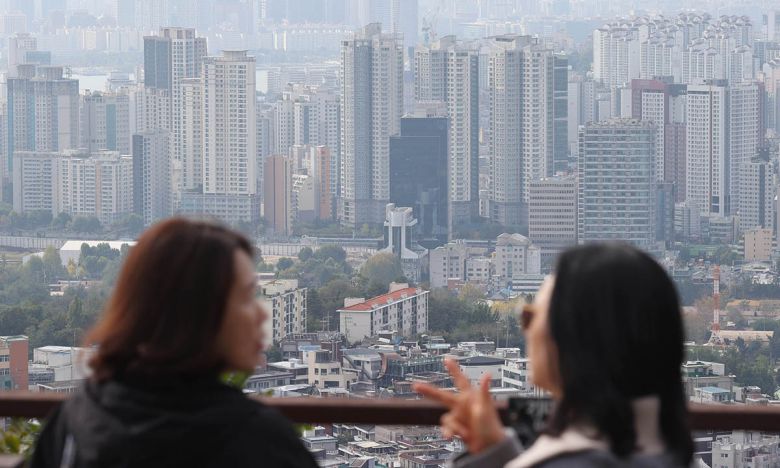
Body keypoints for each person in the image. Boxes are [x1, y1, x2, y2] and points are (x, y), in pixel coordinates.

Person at [30, 219, 318, 467]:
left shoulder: (78, 417)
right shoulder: (256, 439)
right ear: (196, 312)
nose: (260, 314)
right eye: (245, 297)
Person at [415, 243, 693, 468]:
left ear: (571, 337)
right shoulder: (671, 452)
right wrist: (495, 453)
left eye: (529, 317)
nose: (527, 330)